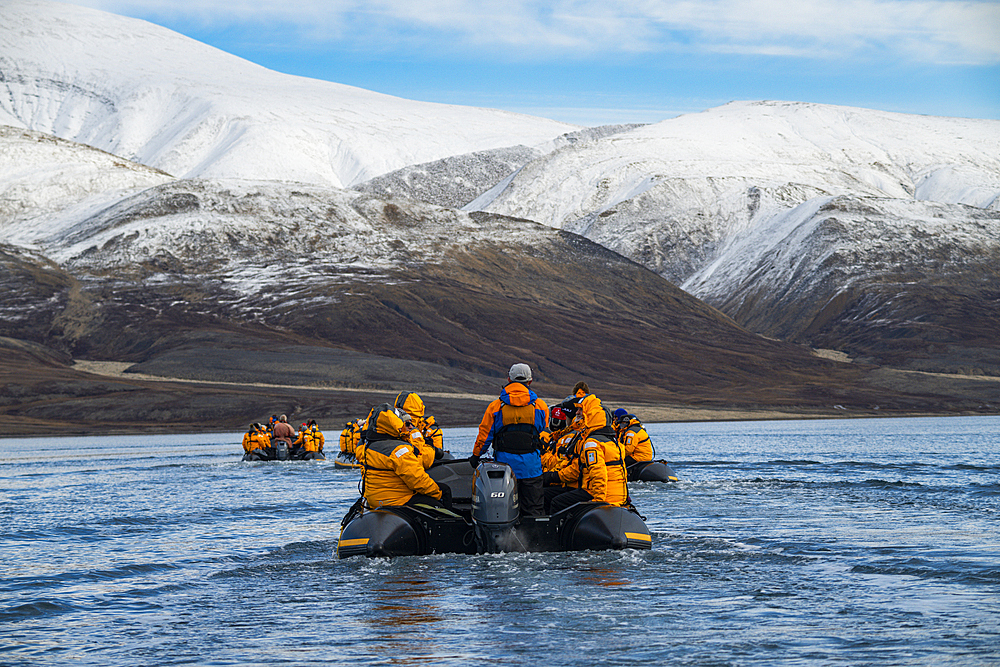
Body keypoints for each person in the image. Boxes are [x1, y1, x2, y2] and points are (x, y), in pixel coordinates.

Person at [471, 363, 548, 517]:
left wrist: (476, 455)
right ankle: (535, 540)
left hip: (503, 469)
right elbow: (543, 433)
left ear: (508, 379)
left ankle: (504, 539)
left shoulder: (496, 407)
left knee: (504, 510)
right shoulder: (540, 406)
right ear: (530, 381)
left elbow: (485, 435)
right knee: (533, 510)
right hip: (531, 468)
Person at [543, 390, 629, 514]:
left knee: (557, 502)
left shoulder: (592, 443)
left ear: (590, 414)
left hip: (602, 496)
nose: (577, 413)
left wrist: (598, 501)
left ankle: (551, 532)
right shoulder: (613, 441)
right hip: (618, 496)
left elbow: (598, 472)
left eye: (580, 410)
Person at [354, 403, 447, 509]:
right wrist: (437, 493)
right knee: (444, 491)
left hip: (375, 499)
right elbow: (417, 479)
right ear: (394, 425)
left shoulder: (369, 447)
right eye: (405, 424)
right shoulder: (399, 450)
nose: (410, 427)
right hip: (397, 500)